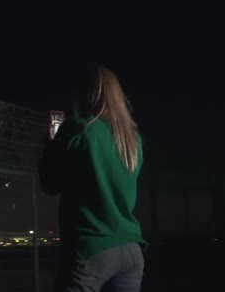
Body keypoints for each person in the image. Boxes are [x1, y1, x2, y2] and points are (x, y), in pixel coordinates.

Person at [39, 64, 147, 292]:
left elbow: (49, 183)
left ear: (85, 94)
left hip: (93, 247)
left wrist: (50, 146)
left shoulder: (78, 129)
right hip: (131, 247)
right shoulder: (132, 139)